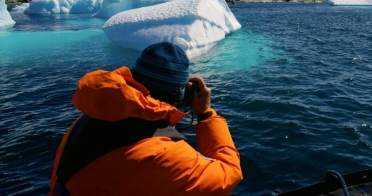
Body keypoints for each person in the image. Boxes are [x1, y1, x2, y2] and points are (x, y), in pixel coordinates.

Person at [49, 42, 242, 196]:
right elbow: (229, 174)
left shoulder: (92, 116)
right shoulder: (163, 154)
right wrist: (206, 114)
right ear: (180, 94)